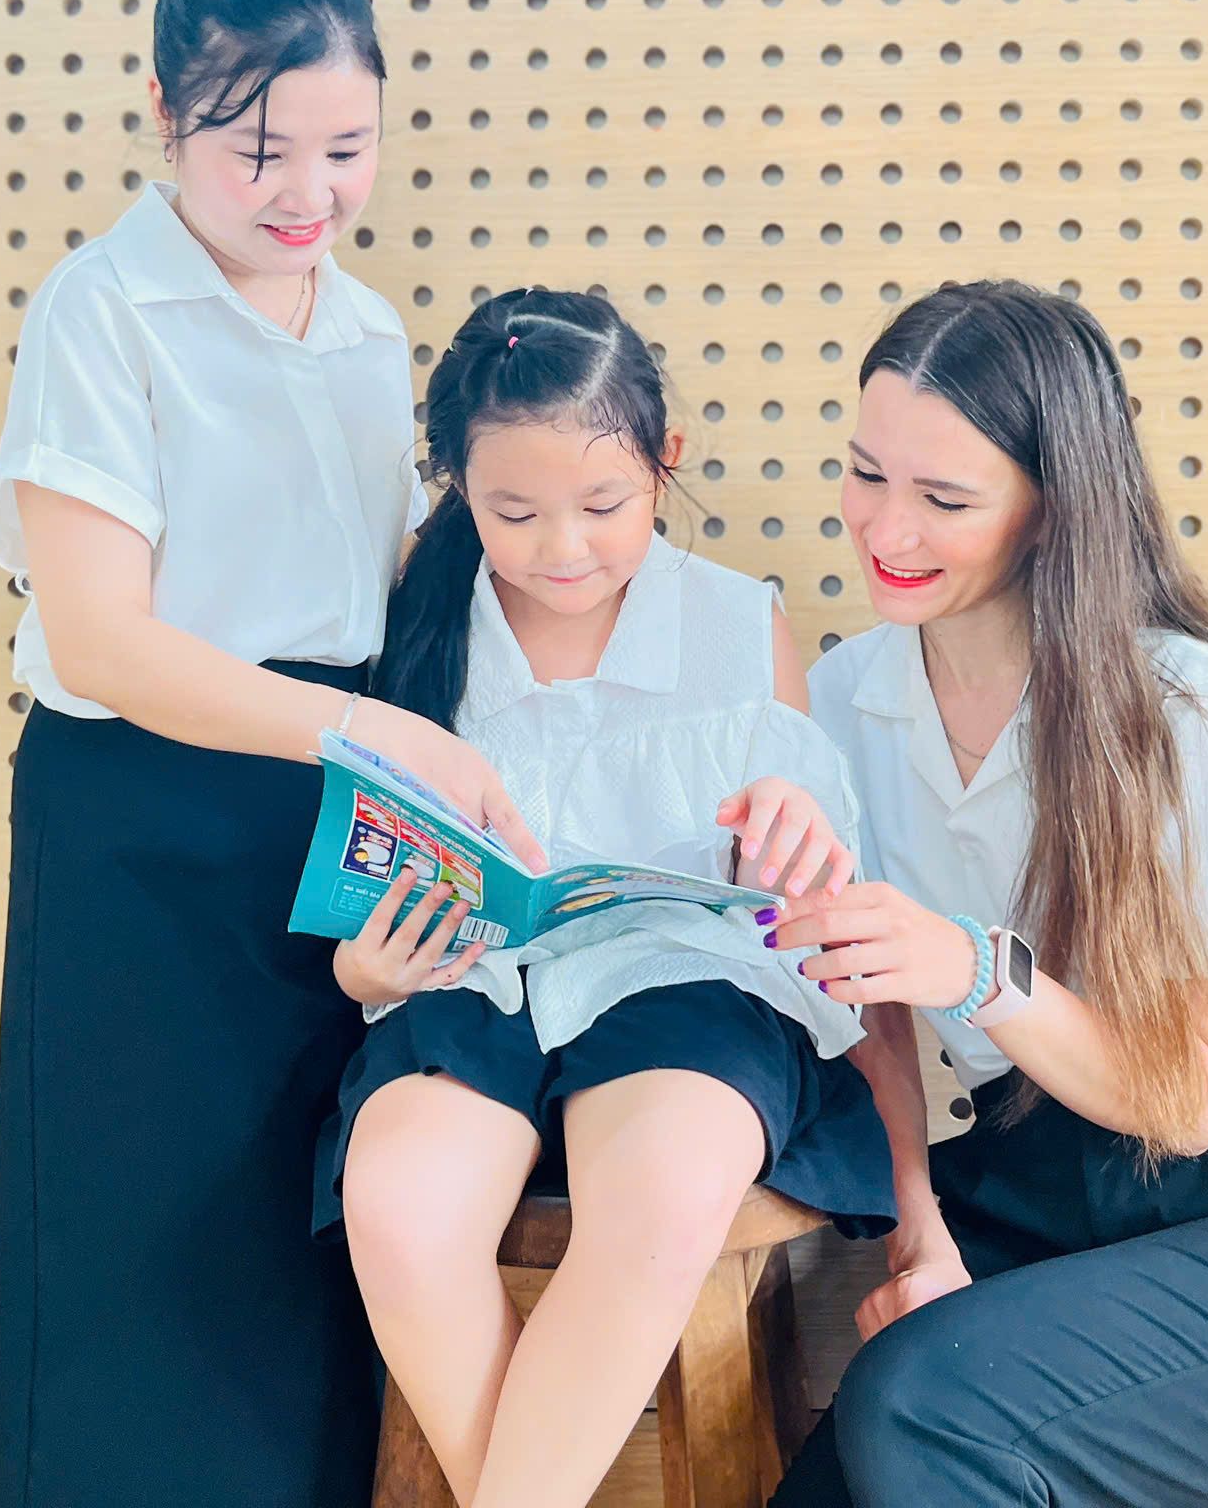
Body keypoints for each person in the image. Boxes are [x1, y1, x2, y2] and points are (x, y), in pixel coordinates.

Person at [0, 0, 538, 1507]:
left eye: (347, 151)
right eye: (260, 155)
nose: (309, 195)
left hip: (330, 825)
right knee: (129, 1262)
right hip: (140, 820)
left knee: (297, 1255)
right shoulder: (103, 307)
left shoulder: (366, 327)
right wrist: (375, 735)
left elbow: (382, 587)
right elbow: (103, 642)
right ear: (166, 118)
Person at [769, 279, 1208, 1508]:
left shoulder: (1185, 704)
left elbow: (1188, 1104)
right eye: (864, 474)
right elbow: (874, 1019)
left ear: (1051, 507)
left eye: (944, 499)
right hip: (1022, 1187)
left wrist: (975, 965)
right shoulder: (843, 697)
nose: (885, 529)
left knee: (918, 1410)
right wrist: (920, 1233)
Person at [317, 287, 897, 1506]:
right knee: (399, 1208)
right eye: (513, 513)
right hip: (473, 989)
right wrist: (367, 968)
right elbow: (356, 929)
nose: (562, 548)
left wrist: (793, 832)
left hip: (686, 988)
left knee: (663, 1196)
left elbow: (804, 901)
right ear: (455, 488)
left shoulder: (735, 620)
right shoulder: (415, 630)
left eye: (603, 505)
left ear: (663, 460)